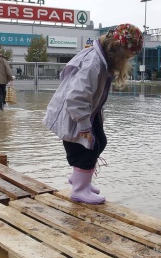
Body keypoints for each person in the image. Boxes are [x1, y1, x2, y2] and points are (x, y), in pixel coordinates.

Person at [43, 23, 144, 205]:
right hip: (73, 114)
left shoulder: (100, 59)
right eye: (128, 57)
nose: (127, 62)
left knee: (100, 141)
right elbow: (76, 97)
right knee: (87, 148)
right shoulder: (94, 63)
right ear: (118, 51)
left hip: (86, 112)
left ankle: (80, 180)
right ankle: (79, 190)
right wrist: (83, 126)